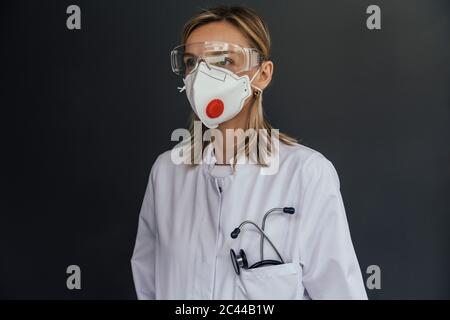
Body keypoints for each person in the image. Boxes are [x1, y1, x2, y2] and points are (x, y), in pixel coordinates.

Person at [131, 5, 368, 300]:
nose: (203, 76)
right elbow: (149, 285)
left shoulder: (305, 173)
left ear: (262, 75)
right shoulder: (167, 172)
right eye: (193, 63)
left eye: (224, 61)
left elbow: (340, 293)